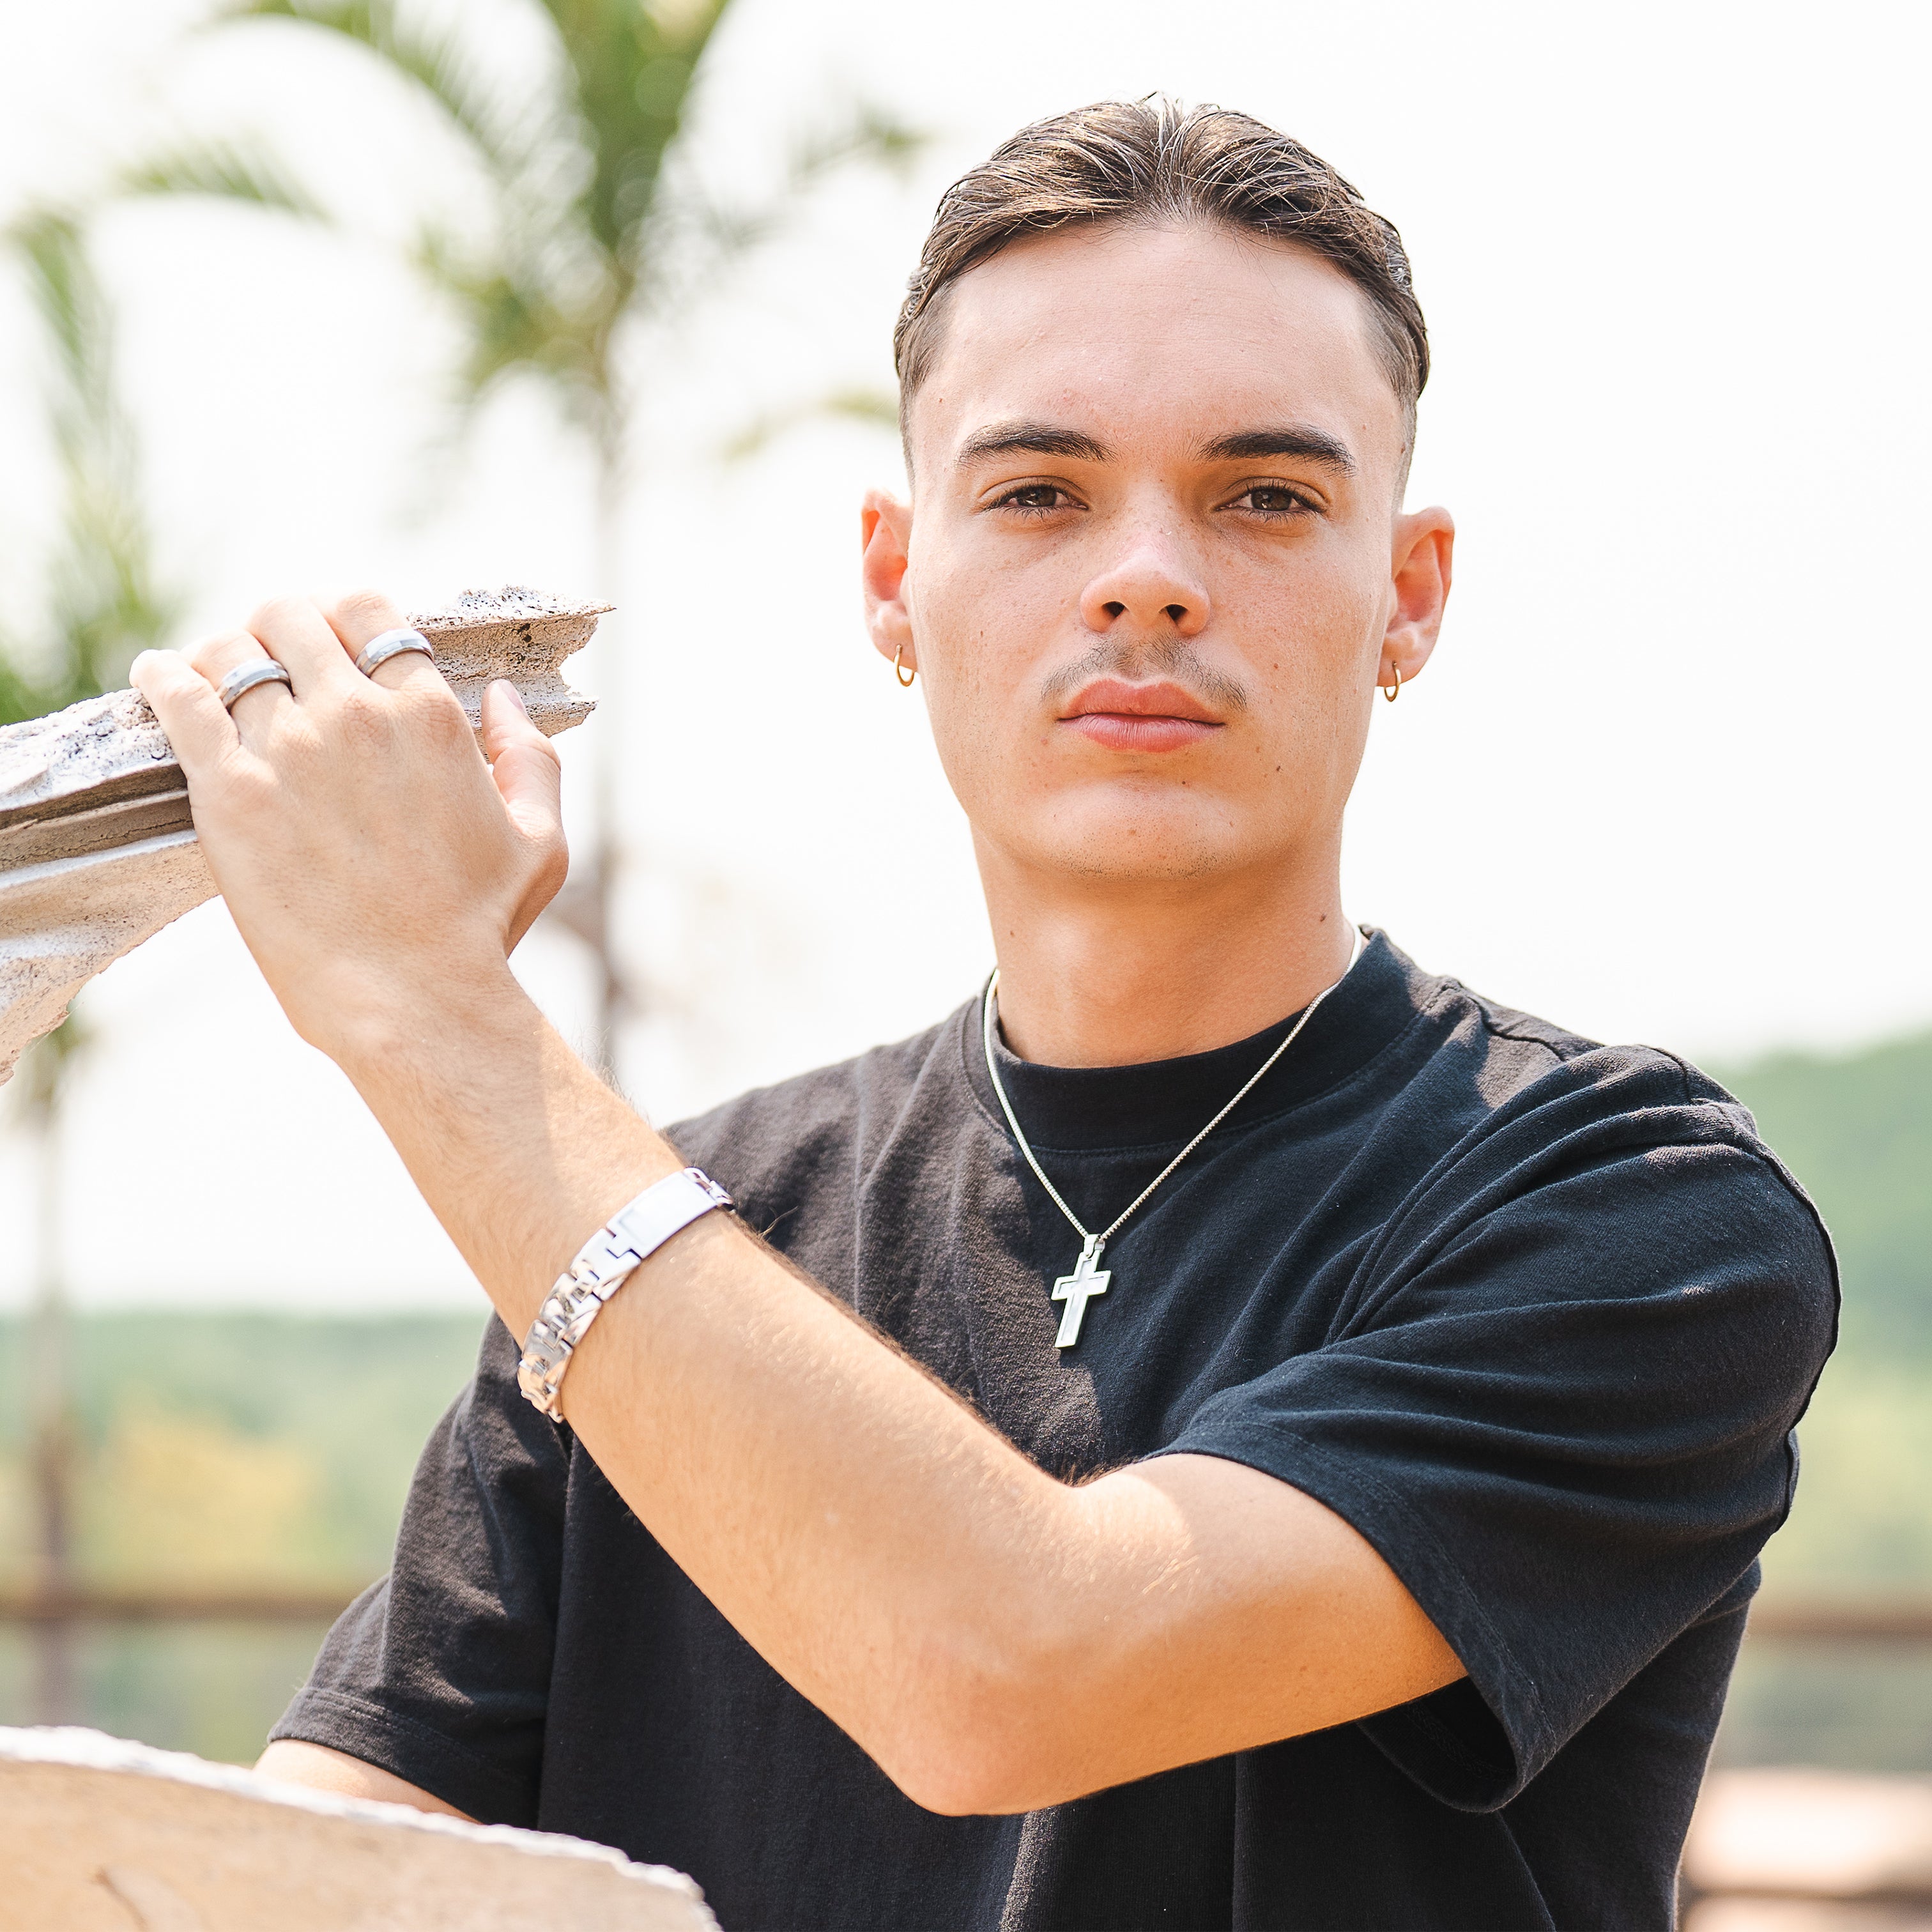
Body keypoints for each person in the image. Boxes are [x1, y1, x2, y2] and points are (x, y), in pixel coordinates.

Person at [134, 99, 1835, 1932]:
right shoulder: (680, 1231)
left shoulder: (1641, 1222)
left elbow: (1012, 1670)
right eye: (1039, 491)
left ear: (1405, 597)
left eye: (1266, 494)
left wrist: (429, 1009)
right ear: (896, 581)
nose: (1147, 572)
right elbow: (302, 1877)